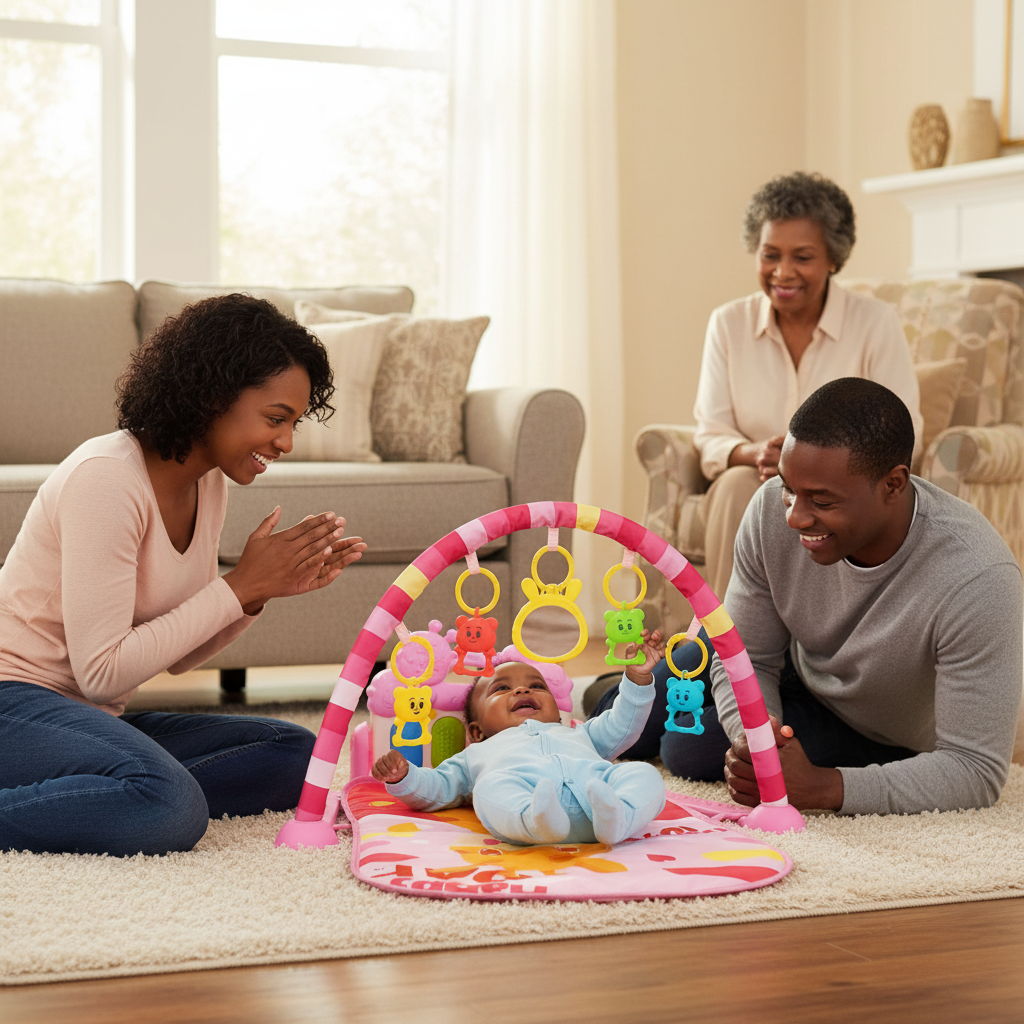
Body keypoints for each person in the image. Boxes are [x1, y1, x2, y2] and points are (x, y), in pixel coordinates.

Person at [0, 294, 368, 856]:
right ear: (213, 396)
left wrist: (255, 594)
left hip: (85, 718)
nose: (286, 442)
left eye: (293, 423)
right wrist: (239, 584)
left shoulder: (208, 482)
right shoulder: (107, 478)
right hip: (14, 703)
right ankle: (135, 790)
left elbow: (177, 656)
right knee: (170, 806)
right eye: (276, 419)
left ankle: (114, 788)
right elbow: (102, 673)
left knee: (293, 754)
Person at [600, 378, 1022, 816]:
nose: (794, 517)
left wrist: (824, 788)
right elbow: (749, 655)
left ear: (893, 484)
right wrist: (756, 737)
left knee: (684, 747)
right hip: (791, 656)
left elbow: (975, 770)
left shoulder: (978, 578)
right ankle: (610, 690)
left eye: (821, 501)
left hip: (874, 728)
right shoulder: (770, 509)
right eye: (789, 488)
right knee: (629, 711)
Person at [693, 171, 924, 598]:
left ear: (833, 258)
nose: (783, 272)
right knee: (735, 487)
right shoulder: (728, 324)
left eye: (802, 257)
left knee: (832, 500)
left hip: (843, 488)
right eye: (770, 255)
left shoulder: (875, 323)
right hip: (755, 478)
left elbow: (905, 428)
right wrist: (757, 454)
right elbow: (710, 432)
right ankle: (727, 632)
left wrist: (826, 470)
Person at [372, 634, 667, 846]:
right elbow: (436, 787)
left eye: (537, 686)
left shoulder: (581, 733)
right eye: (501, 689)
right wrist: (405, 777)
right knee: (489, 788)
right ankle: (535, 821)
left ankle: (620, 817)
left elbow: (623, 724)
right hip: (532, 809)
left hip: (599, 804)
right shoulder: (474, 755)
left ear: (557, 713)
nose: (523, 691)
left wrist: (637, 679)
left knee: (643, 773)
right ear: (477, 732)